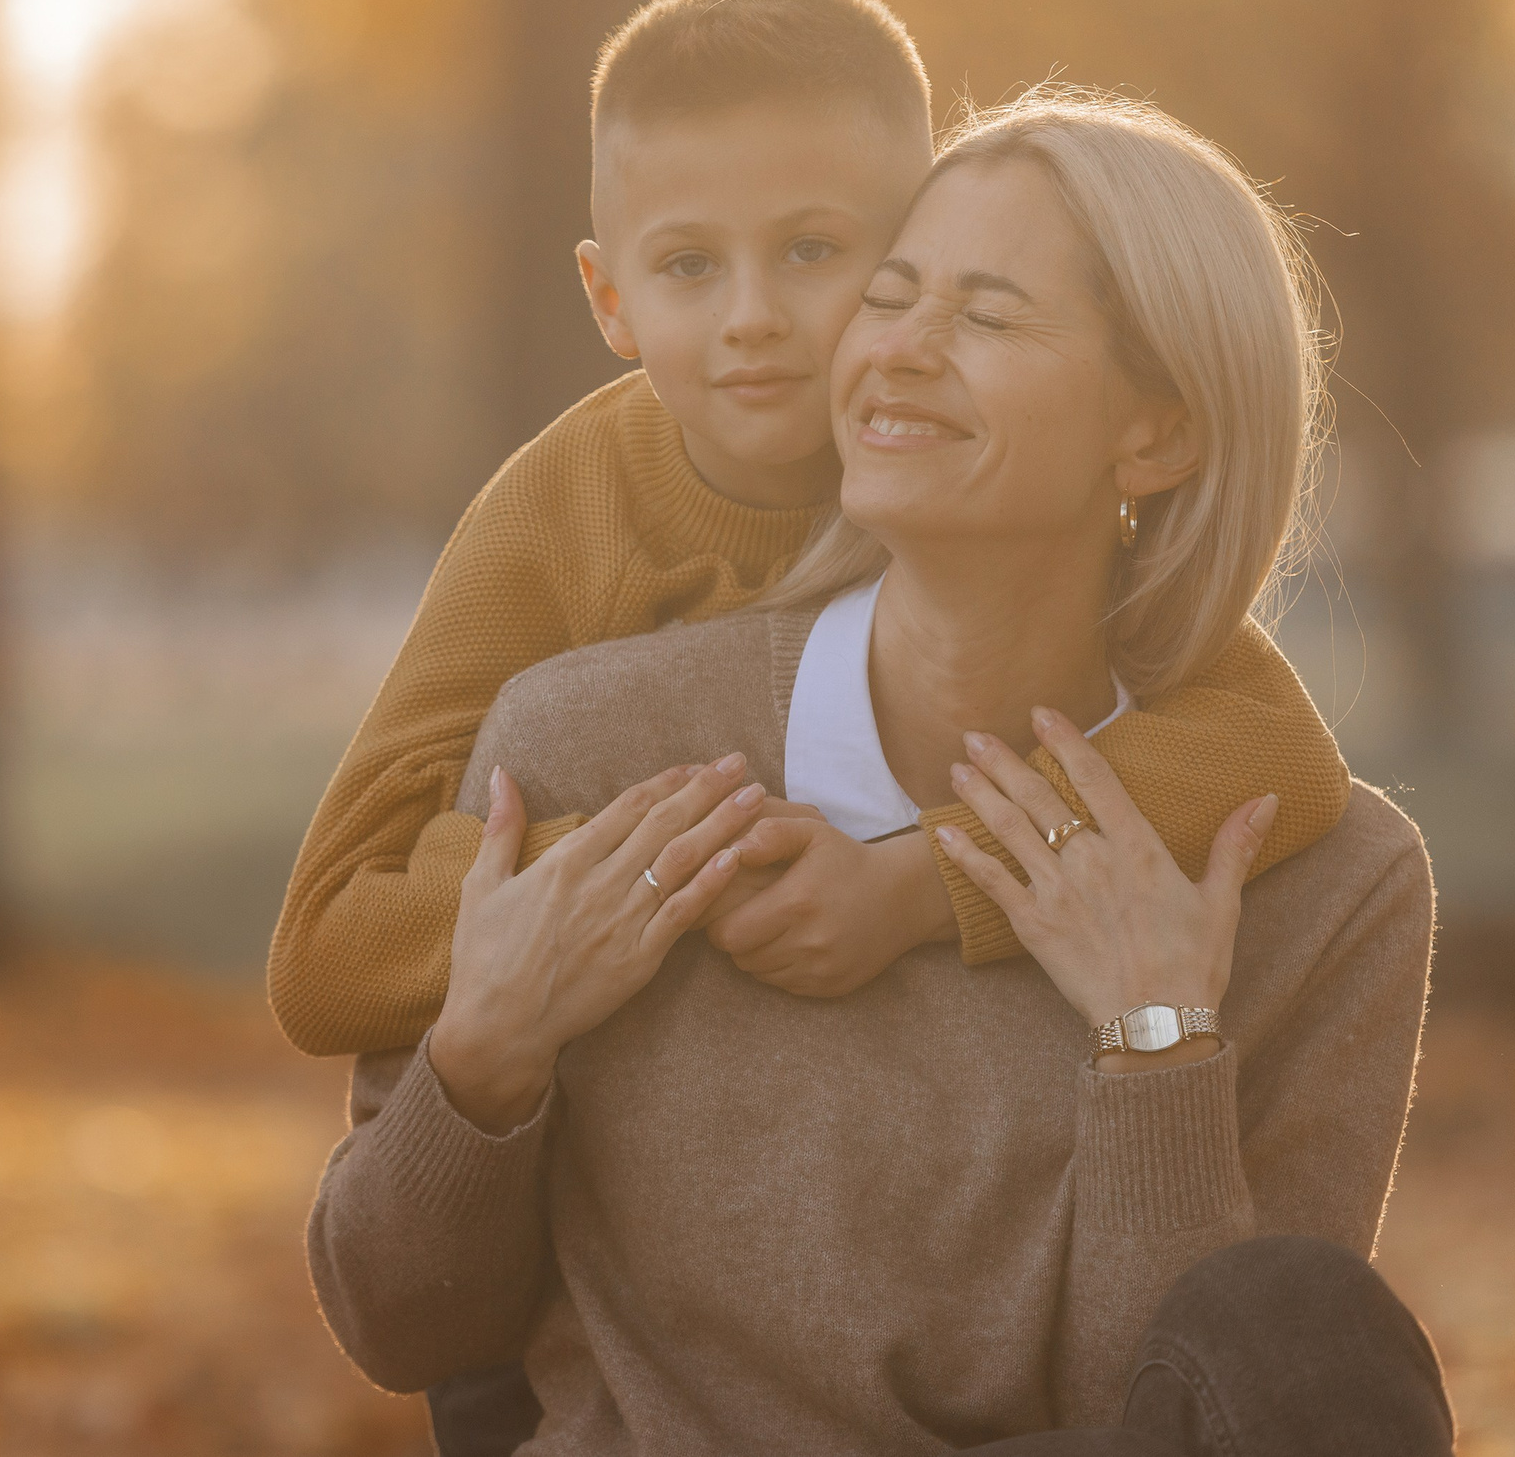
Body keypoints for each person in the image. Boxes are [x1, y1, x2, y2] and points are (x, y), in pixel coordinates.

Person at [305, 92, 1446, 1453]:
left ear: (1158, 435)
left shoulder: (1331, 888)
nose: (898, 352)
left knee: (1309, 1329)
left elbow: (1194, 1412)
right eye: (890, 296)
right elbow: (401, 1329)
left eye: (989, 315)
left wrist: (1155, 1044)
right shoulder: (589, 749)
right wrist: (484, 1057)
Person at [266, 0, 1349, 1070]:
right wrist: (670, 860)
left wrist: (921, 878)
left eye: (812, 252)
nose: (753, 320)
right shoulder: (565, 509)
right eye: (689, 265)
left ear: (915, 242)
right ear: (610, 300)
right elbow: (327, 945)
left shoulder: (960, 465)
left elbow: (1276, 757)